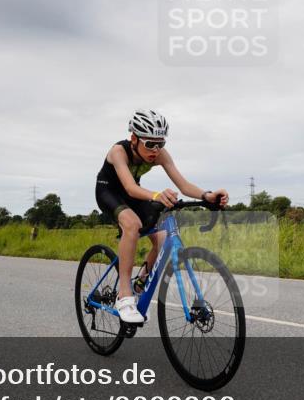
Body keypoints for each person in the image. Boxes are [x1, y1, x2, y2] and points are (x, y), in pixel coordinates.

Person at [95, 109, 229, 324]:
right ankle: (125, 295)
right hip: (109, 192)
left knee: (163, 237)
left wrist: (207, 195)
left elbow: (183, 185)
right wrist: (156, 195)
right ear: (134, 139)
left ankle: (140, 283)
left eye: (160, 144)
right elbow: (129, 187)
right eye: (150, 144)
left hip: (135, 194)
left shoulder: (160, 155)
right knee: (132, 224)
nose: (155, 150)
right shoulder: (118, 151)